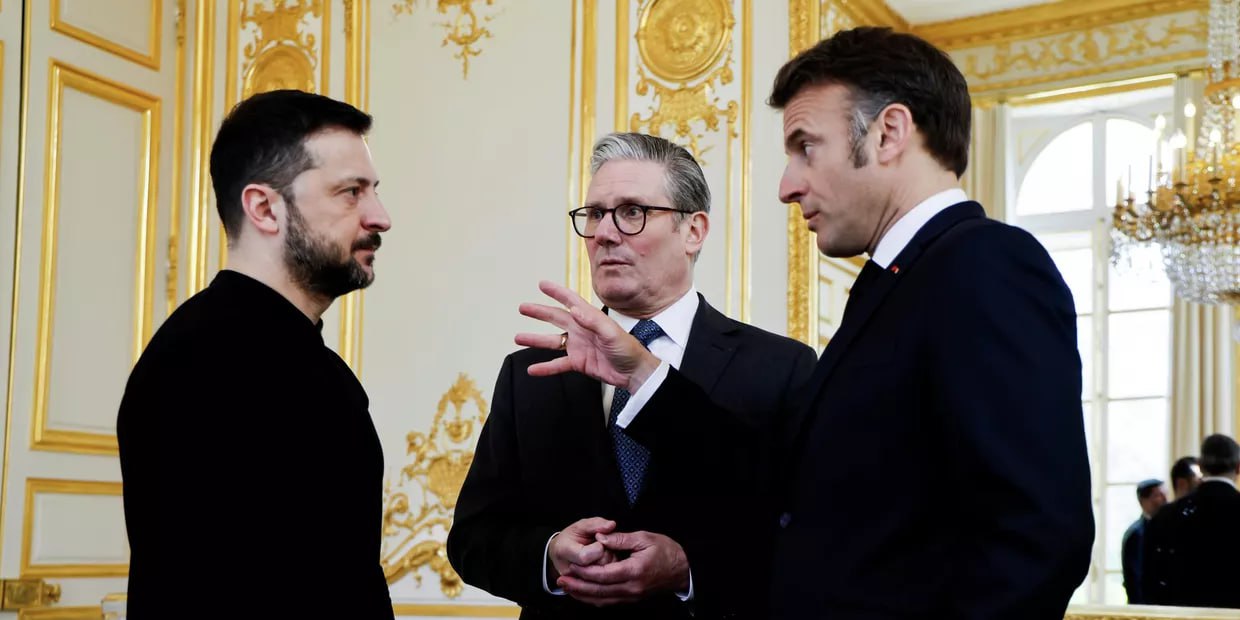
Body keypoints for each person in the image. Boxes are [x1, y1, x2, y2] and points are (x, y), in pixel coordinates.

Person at [513, 27, 1093, 619]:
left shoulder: (985, 266)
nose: (787, 186)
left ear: (889, 133)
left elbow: (1036, 538)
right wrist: (642, 375)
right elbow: (787, 481)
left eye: (805, 147)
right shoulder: (897, 282)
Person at [447, 132, 815, 619]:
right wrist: (550, 554)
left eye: (632, 212)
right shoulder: (530, 373)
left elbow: (805, 537)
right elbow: (474, 539)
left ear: (693, 230)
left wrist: (686, 571)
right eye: (595, 214)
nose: (604, 233)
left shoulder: (781, 367)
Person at [117, 90, 394, 619]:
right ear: (265, 208)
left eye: (374, 191)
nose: (380, 217)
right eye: (351, 192)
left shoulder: (297, 361)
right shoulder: (200, 363)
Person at [1143, 434, 1240, 608]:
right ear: (1238, 467)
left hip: (1181, 614)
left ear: (1200, 466)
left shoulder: (1166, 515)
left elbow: (1151, 578)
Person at [1121, 479, 1167, 603]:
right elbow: (1134, 577)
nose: (1165, 499)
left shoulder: (1166, 527)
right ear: (1143, 501)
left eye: (1165, 494)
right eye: (1158, 495)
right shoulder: (1136, 533)